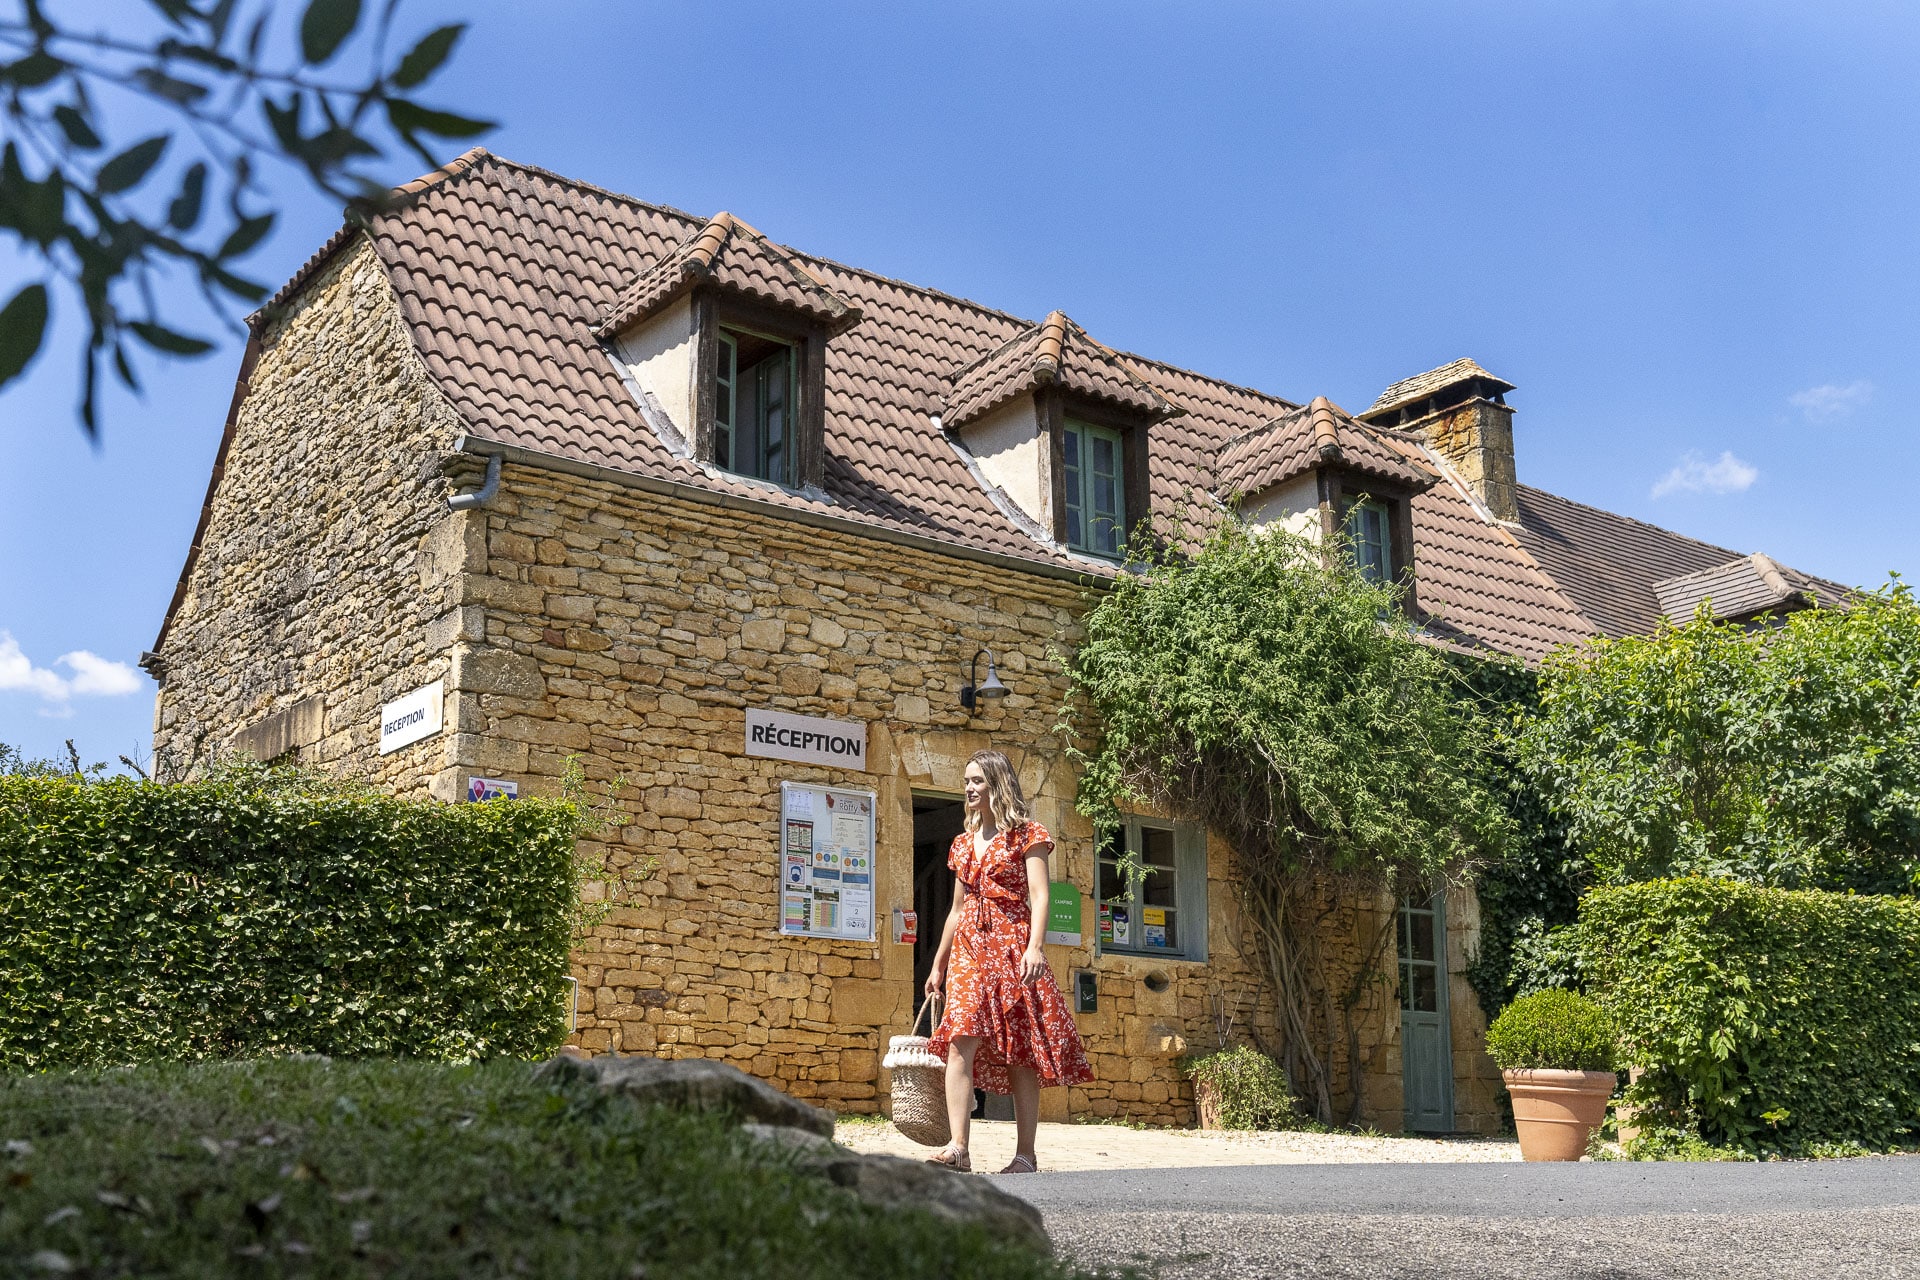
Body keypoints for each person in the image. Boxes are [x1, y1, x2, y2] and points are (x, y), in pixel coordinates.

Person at [923, 750, 1093, 1173]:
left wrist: (1036, 947)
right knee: (960, 1038)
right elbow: (957, 910)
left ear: (997, 784)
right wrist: (938, 965)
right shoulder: (962, 844)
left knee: (1020, 1049)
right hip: (969, 950)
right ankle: (958, 1147)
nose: (968, 788)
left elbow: (1040, 895)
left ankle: (1025, 1155)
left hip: (1013, 947)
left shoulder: (1027, 835)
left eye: (977, 780)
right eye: (966, 780)